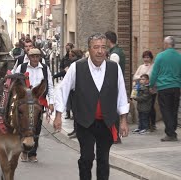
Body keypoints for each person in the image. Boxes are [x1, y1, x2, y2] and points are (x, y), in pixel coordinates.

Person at [54, 33, 129, 180]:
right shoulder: (77, 67)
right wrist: (58, 115)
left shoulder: (114, 68)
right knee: (87, 157)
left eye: (103, 47)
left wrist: (123, 120)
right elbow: (62, 90)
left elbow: (121, 94)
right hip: (85, 122)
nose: (100, 51)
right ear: (89, 49)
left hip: (107, 122)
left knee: (103, 160)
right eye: (96, 47)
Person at [14, 48, 54, 163]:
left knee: (36, 127)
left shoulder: (45, 69)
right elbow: (15, 82)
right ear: (29, 57)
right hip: (25, 102)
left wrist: (51, 102)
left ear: (39, 57)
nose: (35, 59)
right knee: (25, 125)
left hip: (38, 102)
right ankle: (24, 151)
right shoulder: (22, 67)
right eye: (33, 57)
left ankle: (32, 153)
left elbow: (50, 85)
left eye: (37, 57)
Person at [150, 36, 181, 142]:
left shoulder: (160, 56)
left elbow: (154, 72)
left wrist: (151, 85)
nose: (163, 45)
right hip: (176, 87)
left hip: (164, 88)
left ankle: (170, 133)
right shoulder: (179, 56)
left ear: (167, 44)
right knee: (174, 110)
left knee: (166, 111)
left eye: (164, 43)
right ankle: (173, 131)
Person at [105, 31, 126, 144]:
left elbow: (111, 73)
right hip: (116, 85)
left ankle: (115, 136)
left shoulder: (114, 55)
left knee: (113, 112)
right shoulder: (118, 51)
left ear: (108, 40)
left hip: (114, 86)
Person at [133, 50, 157, 131]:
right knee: (142, 107)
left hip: (151, 89)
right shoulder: (141, 67)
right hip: (141, 90)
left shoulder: (154, 66)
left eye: (148, 57)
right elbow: (135, 77)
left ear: (151, 58)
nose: (146, 59)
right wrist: (142, 77)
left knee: (150, 107)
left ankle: (152, 124)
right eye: (145, 57)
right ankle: (144, 125)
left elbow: (151, 76)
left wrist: (141, 77)